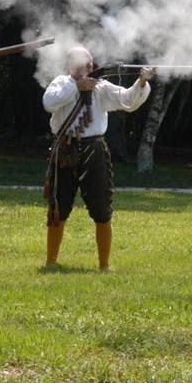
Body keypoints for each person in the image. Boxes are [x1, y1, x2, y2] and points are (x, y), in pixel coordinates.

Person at [42, 46, 154, 271]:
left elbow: (128, 101)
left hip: (94, 149)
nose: (90, 66)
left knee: (102, 207)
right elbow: (49, 103)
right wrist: (76, 87)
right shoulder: (62, 83)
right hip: (65, 150)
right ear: (71, 65)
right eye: (84, 62)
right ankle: (51, 262)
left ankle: (104, 264)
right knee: (58, 206)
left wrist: (141, 82)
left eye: (91, 62)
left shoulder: (101, 86)